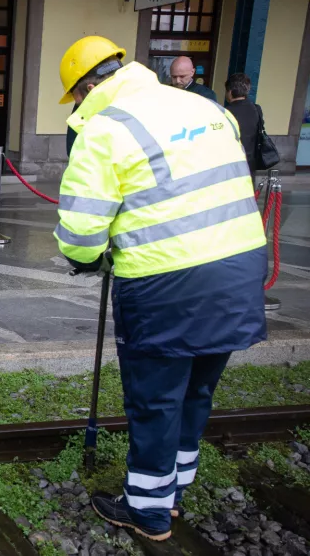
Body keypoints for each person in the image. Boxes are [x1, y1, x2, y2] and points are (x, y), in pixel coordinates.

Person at [54, 36, 267, 542]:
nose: (78, 107)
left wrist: (85, 258)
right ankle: (174, 489)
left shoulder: (105, 129)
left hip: (167, 282)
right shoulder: (209, 108)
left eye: (76, 98)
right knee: (198, 388)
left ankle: (148, 509)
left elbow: (81, 236)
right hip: (239, 272)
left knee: (155, 399)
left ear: (88, 86)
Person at [224, 73, 260, 178]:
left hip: (231, 163)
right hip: (250, 162)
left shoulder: (225, 112)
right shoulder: (256, 109)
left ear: (230, 92)